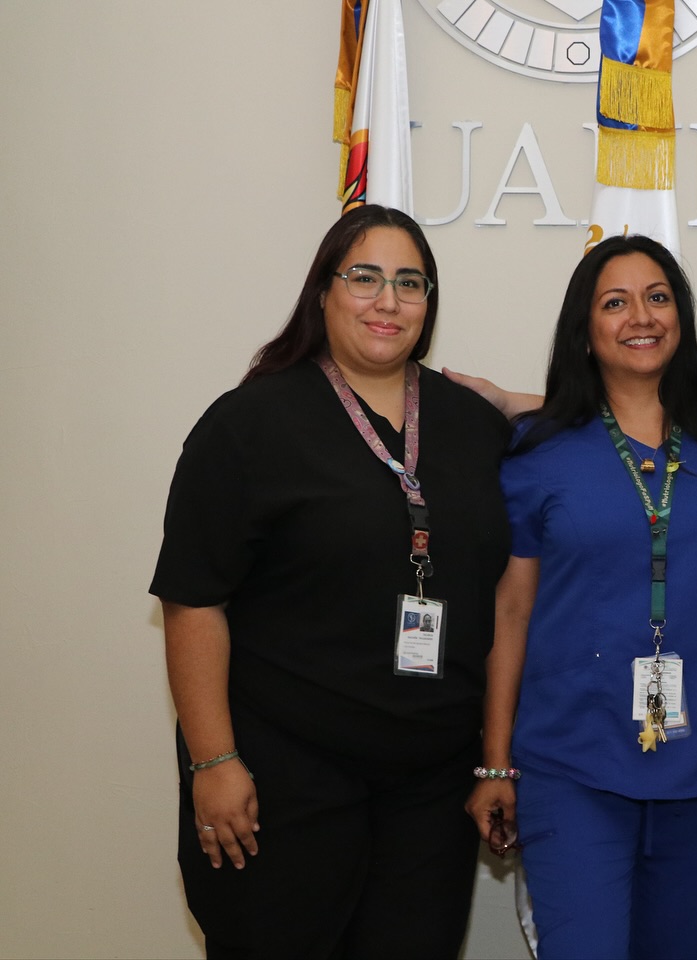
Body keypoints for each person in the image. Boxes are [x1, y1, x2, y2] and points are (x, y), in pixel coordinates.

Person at [151, 205, 511, 958]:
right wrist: (213, 761)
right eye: (365, 278)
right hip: (285, 779)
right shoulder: (249, 424)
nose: (389, 301)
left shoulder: (474, 425)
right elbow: (193, 600)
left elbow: (601, 420)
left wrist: (491, 759)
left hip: (430, 789)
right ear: (323, 292)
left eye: (410, 283)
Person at [465, 235, 697, 959]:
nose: (640, 317)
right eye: (615, 302)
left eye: (657, 297)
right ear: (585, 330)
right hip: (572, 768)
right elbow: (511, 612)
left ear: (681, 318)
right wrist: (495, 762)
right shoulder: (537, 453)